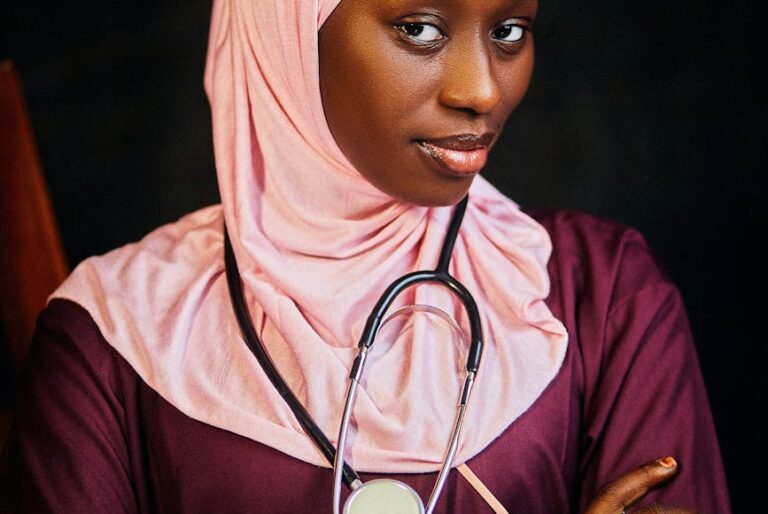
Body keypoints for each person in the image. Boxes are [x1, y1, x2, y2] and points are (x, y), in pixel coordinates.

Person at [1, 0, 730, 512]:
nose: (482, 90)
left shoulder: (603, 296)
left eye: (510, 30)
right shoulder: (111, 340)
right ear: (284, 25)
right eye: (419, 28)